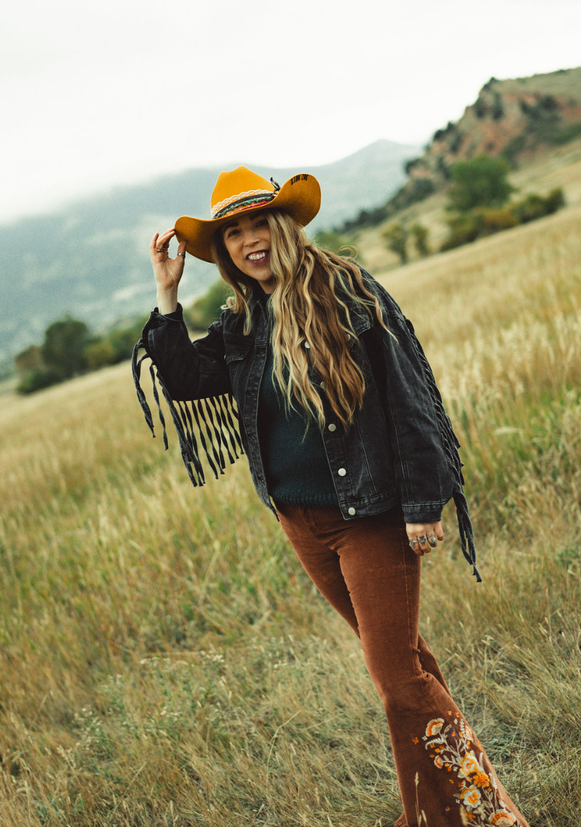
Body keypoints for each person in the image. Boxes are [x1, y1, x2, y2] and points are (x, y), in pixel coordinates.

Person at [132, 167, 530, 827]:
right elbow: (186, 379)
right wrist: (166, 295)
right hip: (301, 521)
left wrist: (422, 503)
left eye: (259, 223)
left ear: (283, 226)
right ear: (225, 251)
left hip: (367, 515)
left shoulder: (344, 292)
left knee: (398, 679)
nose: (250, 240)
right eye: (233, 233)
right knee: (402, 669)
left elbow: (408, 397)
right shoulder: (243, 321)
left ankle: (487, 814)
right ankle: (438, 809)